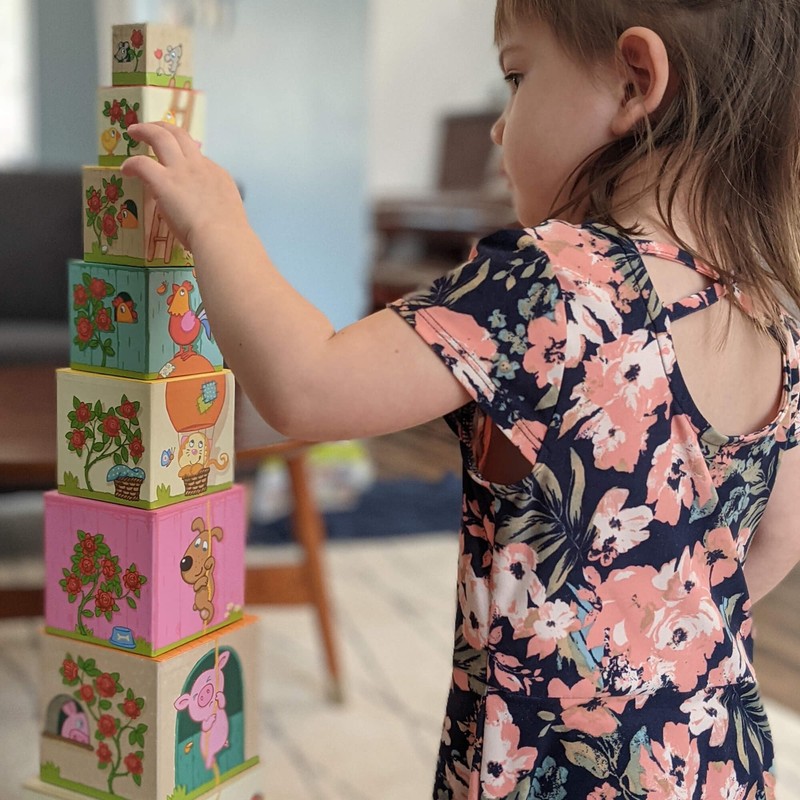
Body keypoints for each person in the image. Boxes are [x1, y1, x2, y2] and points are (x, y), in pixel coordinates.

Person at [123, 1, 800, 796]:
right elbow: (777, 541)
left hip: (548, 770)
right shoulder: (769, 311)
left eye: (516, 78)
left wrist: (216, 220)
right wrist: (649, 646)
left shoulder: (547, 282)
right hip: (714, 754)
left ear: (633, 82)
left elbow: (304, 385)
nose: (496, 126)